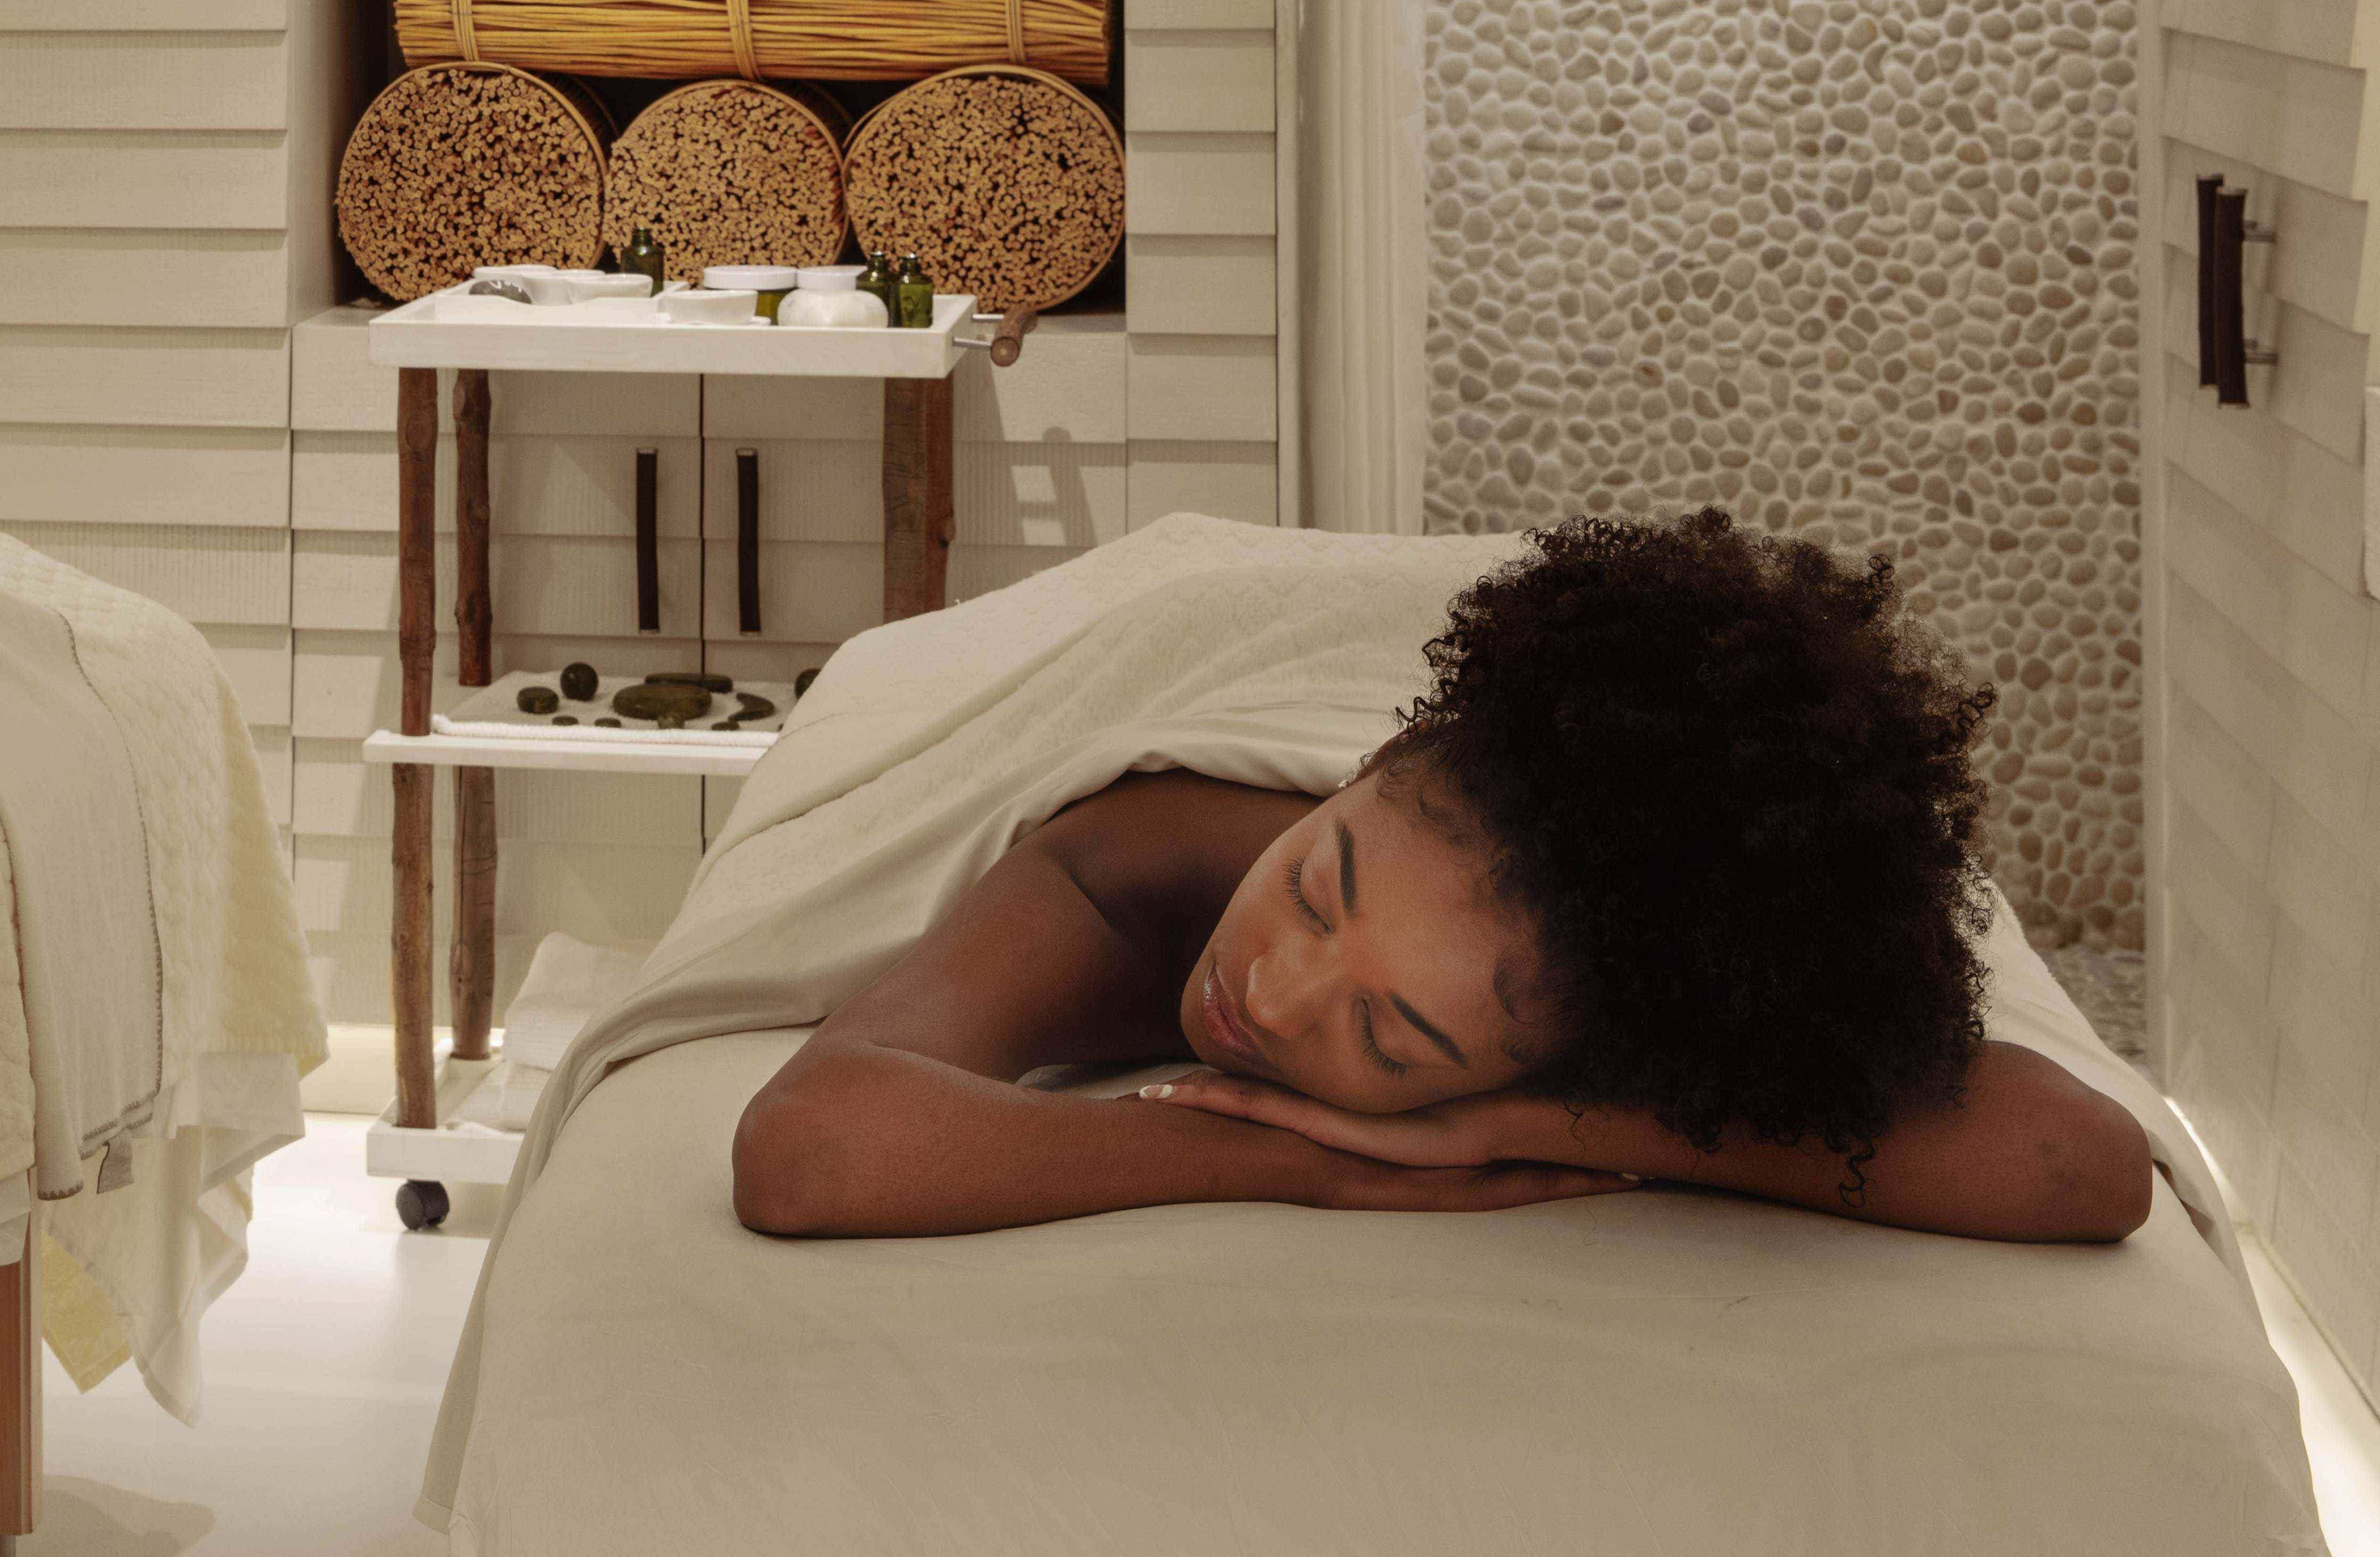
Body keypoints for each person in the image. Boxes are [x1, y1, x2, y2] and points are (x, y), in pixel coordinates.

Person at [728, 513, 2154, 1245]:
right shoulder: (1132, 876)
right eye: (1316, 884)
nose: (1263, 994)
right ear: (1386, 758)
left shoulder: (1618, 996)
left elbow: (2080, 1165)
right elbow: (809, 1148)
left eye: (1388, 1039)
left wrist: (1516, 1128)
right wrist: (1299, 1160)